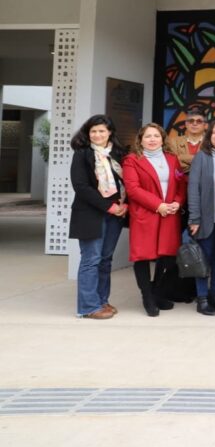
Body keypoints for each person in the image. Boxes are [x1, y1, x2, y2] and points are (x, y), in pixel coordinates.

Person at [122, 123, 185, 317]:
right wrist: (158, 205)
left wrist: (177, 201)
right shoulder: (132, 160)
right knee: (143, 256)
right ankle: (147, 296)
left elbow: (181, 184)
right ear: (140, 140)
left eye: (156, 136)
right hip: (146, 213)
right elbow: (133, 189)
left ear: (162, 139)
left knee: (167, 256)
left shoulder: (172, 159)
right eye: (147, 136)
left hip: (169, 214)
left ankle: (156, 291)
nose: (152, 139)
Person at [69, 115, 128, 319]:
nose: (97, 135)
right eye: (93, 131)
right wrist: (108, 207)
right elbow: (81, 187)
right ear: (88, 133)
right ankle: (88, 307)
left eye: (102, 131)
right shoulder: (82, 154)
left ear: (110, 132)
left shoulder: (118, 154)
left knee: (105, 260)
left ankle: (102, 301)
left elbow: (125, 182)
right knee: (91, 260)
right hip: (90, 214)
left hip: (116, 213)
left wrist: (123, 204)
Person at [187, 117, 215, 315]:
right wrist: (194, 218)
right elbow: (193, 189)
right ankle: (202, 298)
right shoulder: (202, 157)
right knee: (203, 260)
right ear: (209, 135)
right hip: (206, 219)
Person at [169, 107, 206, 174]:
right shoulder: (174, 142)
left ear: (205, 125)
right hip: (180, 181)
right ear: (186, 124)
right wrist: (199, 161)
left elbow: (209, 165)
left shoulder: (210, 142)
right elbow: (172, 163)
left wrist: (181, 158)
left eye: (199, 121)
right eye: (191, 121)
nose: (195, 124)